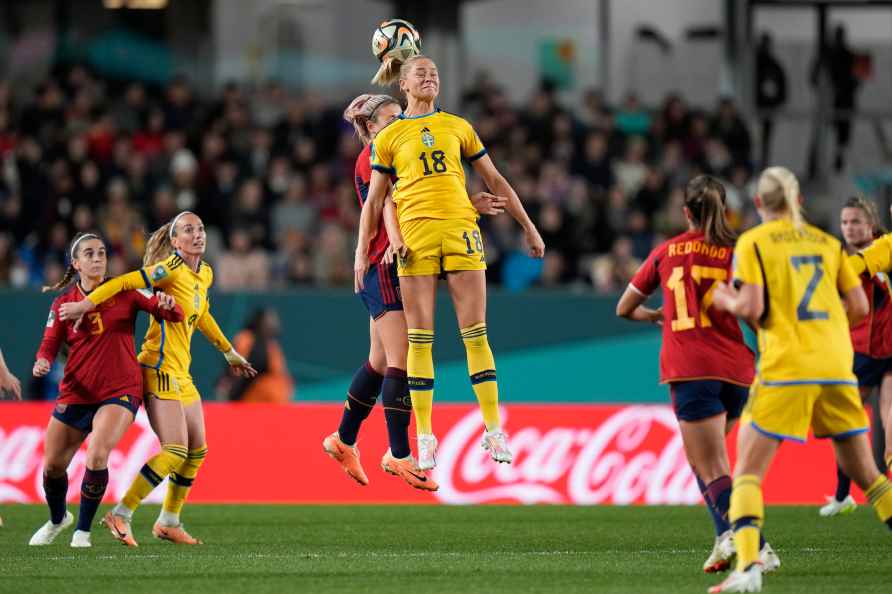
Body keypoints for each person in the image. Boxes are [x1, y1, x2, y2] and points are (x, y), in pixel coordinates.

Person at [355, 55, 546, 471]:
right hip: (417, 239)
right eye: (421, 73)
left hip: (462, 230)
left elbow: (494, 179)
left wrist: (527, 226)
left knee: (475, 335)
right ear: (403, 83)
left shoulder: (459, 126)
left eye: (435, 73)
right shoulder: (389, 137)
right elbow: (376, 200)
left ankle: (493, 428)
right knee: (421, 340)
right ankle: (425, 436)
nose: (430, 77)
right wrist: (361, 249)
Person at [710, 167, 892, 593]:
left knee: (748, 474)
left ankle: (749, 569)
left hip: (786, 367)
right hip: (834, 364)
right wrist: (824, 332)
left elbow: (752, 307)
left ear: (758, 204)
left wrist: (725, 299)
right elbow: (861, 306)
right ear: (799, 203)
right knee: (868, 474)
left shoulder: (753, 241)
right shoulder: (828, 243)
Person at [325, 93, 507, 491]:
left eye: (400, 114)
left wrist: (466, 206)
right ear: (371, 127)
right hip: (386, 262)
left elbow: (425, 199)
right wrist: (385, 240)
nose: (401, 120)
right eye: (391, 116)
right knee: (402, 358)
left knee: (377, 361)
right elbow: (389, 203)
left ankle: (343, 439)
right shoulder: (376, 154)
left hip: (393, 258)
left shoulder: (397, 145)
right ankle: (399, 454)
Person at [58, 212, 256, 547]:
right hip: (157, 368)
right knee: (175, 449)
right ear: (175, 241)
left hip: (182, 373)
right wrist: (85, 305)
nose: (197, 235)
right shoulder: (170, 269)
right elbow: (124, 282)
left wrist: (228, 351)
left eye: (201, 228)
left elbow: (202, 314)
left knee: (197, 450)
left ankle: (168, 521)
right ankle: (121, 513)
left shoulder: (204, 273)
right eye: (188, 231)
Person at [616, 176, 778, 575]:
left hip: (691, 368)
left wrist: (655, 314)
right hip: (738, 371)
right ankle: (724, 535)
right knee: (703, 459)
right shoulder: (737, 251)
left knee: (711, 466)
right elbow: (756, 313)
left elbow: (624, 307)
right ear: (723, 210)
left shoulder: (666, 251)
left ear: (686, 212)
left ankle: (755, 545)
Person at [28, 232, 183, 548]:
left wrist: (169, 304)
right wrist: (42, 361)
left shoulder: (126, 289)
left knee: (97, 455)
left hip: (121, 389)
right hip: (76, 392)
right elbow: (49, 344)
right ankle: (59, 518)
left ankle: (82, 532)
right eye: (89, 253)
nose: (97, 258)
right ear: (76, 263)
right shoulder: (63, 303)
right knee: (53, 466)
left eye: (101, 252)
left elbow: (171, 313)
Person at [821, 197, 891, 517]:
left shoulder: (880, 250)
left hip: (886, 351)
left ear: (871, 224)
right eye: (845, 222)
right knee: (844, 423)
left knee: (890, 422)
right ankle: (841, 494)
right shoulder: (838, 255)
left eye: (856, 222)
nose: (849, 227)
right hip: (859, 353)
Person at [219, 308, 293, 403]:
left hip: (270, 400)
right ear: (261, 321)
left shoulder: (271, 346)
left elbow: (280, 373)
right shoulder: (245, 339)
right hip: (247, 397)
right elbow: (234, 371)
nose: (273, 323)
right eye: (269, 320)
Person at [754, 33, 787, 167]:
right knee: (758, 140)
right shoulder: (753, 63)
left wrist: (776, 104)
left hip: (767, 109)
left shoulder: (772, 65)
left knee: (764, 141)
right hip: (756, 108)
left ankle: (762, 165)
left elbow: (782, 89)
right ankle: (759, 165)